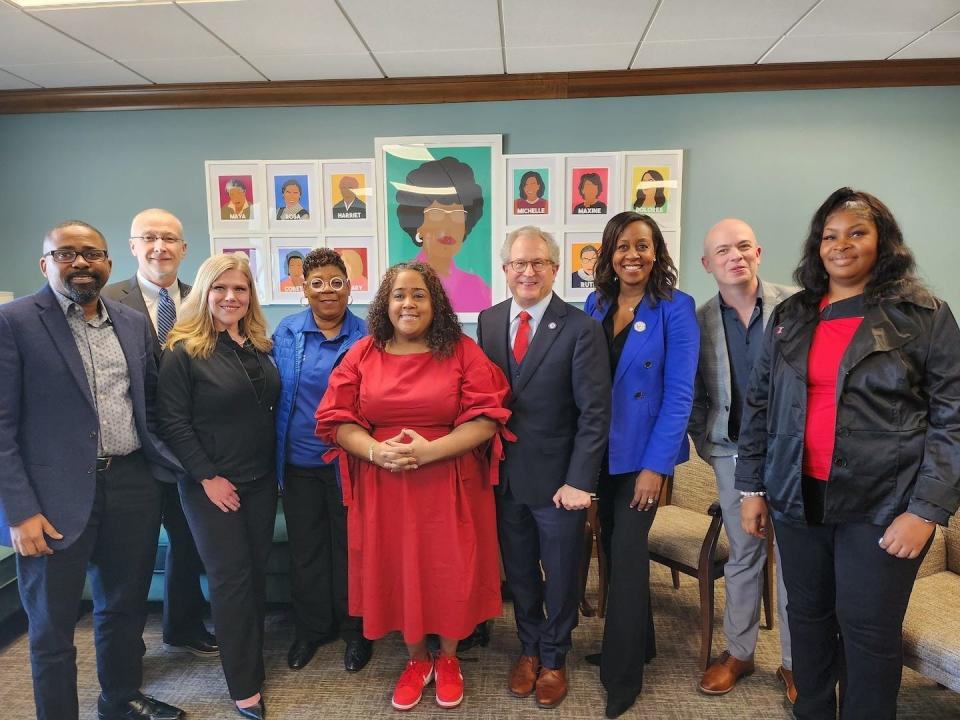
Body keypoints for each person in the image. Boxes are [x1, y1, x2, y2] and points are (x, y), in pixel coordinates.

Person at [736, 187, 960, 720]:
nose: (841, 246)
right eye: (829, 236)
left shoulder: (923, 315)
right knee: (808, 622)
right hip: (798, 499)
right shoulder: (792, 315)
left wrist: (925, 512)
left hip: (884, 506)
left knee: (868, 632)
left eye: (856, 233)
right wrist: (752, 487)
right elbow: (760, 405)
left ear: (883, 242)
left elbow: (953, 420)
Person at [0, 220, 184, 720]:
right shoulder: (13, 321)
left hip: (131, 485)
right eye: (65, 254)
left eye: (91, 253)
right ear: (45, 264)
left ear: (108, 263)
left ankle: (120, 699)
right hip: (51, 499)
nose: (80, 262)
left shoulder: (130, 321)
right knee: (51, 628)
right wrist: (19, 511)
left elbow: (148, 404)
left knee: (124, 612)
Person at [315, 262, 511, 711]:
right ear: (386, 303)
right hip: (385, 485)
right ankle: (416, 659)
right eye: (399, 294)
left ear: (435, 302)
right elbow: (335, 419)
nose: (409, 303)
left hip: (450, 480)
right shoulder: (362, 354)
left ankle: (448, 659)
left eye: (419, 294)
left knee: (449, 569)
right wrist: (374, 451)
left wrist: (431, 450)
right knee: (399, 569)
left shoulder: (462, 350)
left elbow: (488, 418)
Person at [477, 226, 610, 710]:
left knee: (561, 572)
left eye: (538, 263)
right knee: (520, 573)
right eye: (518, 263)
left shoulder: (580, 328)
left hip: (559, 484)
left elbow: (595, 414)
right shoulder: (489, 322)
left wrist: (580, 481)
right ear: (506, 270)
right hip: (505, 477)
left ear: (555, 268)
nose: (528, 271)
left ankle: (555, 657)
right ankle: (529, 648)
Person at [582, 211, 699, 719]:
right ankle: (642, 643)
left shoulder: (676, 308)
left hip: (643, 457)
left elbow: (679, 395)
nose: (633, 255)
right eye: (623, 246)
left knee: (628, 556)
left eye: (643, 246)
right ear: (610, 253)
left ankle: (622, 675)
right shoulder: (596, 303)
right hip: (600, 452)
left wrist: (656, 468)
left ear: (657, 254)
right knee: (611, 546)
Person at [157, 254, 280, 720]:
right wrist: (207, 478)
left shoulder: (258, 345)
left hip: (261, 481)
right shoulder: (182, 350)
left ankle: (249, 659)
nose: (231, 297)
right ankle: (244, 686)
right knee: (231, 582)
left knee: (254, 574)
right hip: (211, 485)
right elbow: (172, 423)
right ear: (203, 293)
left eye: (241, 289)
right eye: (220, 288)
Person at [102, 208, 218, 659]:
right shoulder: (107, 300)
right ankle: (124, 647)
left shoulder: (202, 298)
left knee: (188, 542)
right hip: (133, 453)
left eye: (169, 238)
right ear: (132, 246)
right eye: (149, 237)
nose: (160, 246)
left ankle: (183, 626)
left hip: (187, 450)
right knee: (129, 555)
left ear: (184, 249)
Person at [687, 218, 795, 701]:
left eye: (744, 247)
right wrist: (708, 448)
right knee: (746, 554)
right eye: (724, 250)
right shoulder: (699, 321)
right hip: (732, 455)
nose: (736, 256)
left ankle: (797, 663)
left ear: (758, 252)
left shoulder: (799, 307)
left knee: (796, 560)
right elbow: (691, 397)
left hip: (794, 455)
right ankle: (740, 653)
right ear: (708, 264)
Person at [271, 248, 372, 673]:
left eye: (336, 282)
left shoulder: (369, 336)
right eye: (317, 283)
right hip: (298, 462)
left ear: (350, 287)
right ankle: (312, 630)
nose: (327, 291)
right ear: (303, 288)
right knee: (306, 550)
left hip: (350, 464)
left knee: (351, 549)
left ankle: (357, 631)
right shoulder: (288, 332)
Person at [395, 156, 491, 312]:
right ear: (418, 223)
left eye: (457, 215)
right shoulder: (401, 282)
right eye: (436, 213)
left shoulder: (476, 287)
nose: (448, 225)